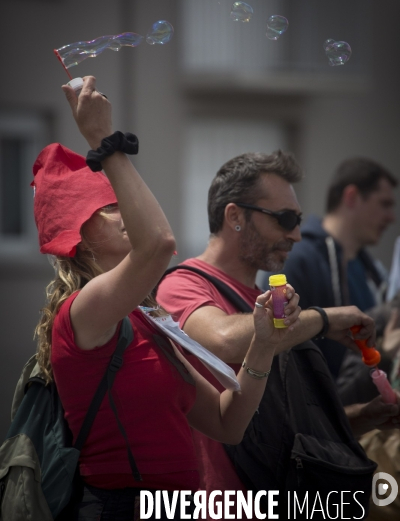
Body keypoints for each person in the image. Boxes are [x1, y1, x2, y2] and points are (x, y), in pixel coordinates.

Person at [33, 78, 296, 521]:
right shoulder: (80, 311)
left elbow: (228, 424)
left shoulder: (146, 318)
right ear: (79, 238)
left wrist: (265, 344)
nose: (124, 213)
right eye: (109, 207)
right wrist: (103, 140)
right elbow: (158, 243)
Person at [157, 151, 400, 507]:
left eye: (298, 220)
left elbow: (290, 428)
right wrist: (323, 319)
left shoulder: (269, 301)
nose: (297, 235)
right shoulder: (184, 285)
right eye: (285, 219)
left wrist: (364, 417)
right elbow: (223, 341)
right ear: (235, 216)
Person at [277, 157, 397, 378]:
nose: (391, 217)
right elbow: (282, 348)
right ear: (352, 197)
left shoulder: (371, 270)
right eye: (384, 204)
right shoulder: (298, 261)